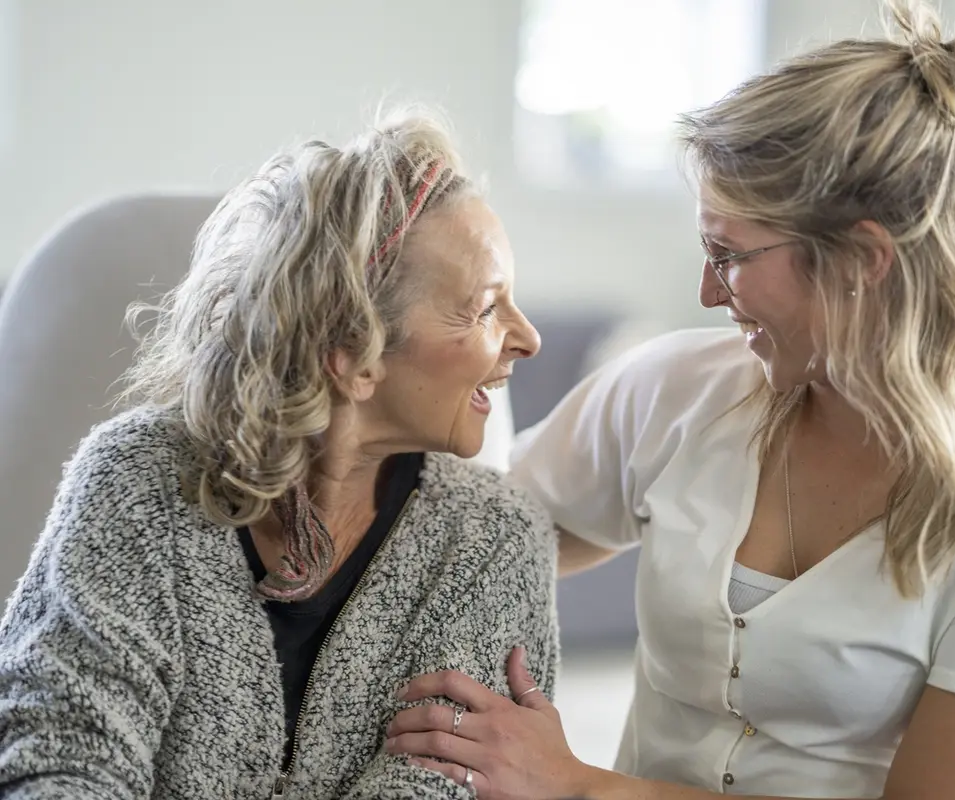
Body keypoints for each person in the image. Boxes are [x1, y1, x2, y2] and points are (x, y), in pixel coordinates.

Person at [382, 2, 955, 798]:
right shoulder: (675, 390)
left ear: (862, 259)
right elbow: (472, 540)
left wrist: (578, 785)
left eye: (729, 255)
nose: (708, 292)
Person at [0, 108, 557, 799]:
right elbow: (58, 758)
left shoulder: (497, 539)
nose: (528, 338)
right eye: (485, 308)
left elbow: (437, 789)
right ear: (351, 353)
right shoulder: (135, 480)